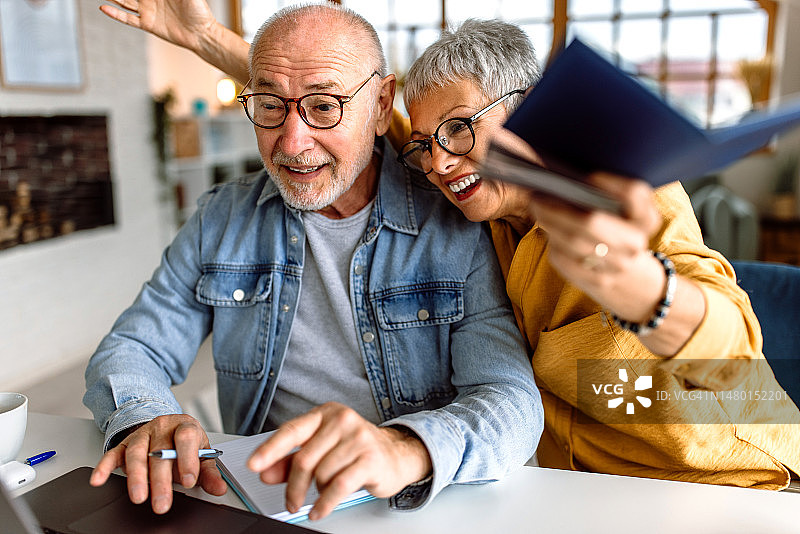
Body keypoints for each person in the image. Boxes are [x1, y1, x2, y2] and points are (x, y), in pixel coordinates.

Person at [101, 0, 800, 489]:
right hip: (572, 484)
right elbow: (337, 116)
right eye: (428, 141)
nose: (437, 161)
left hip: (716, 476)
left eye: (460, 130)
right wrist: (210, 41)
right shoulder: (468, 191)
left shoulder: (620, 197)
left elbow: (732, 348)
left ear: (528, 111)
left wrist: (651, 296)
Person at [84, 3, 542, 521]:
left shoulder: (453, 223)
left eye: (324, 107)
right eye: (270, 105)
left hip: (409, 510)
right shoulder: (223, 218)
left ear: (380, 104)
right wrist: (147, 417)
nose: (293, 143)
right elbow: (132, 345)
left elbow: (509, 400)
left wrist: (406, 448)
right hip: (259, 504)